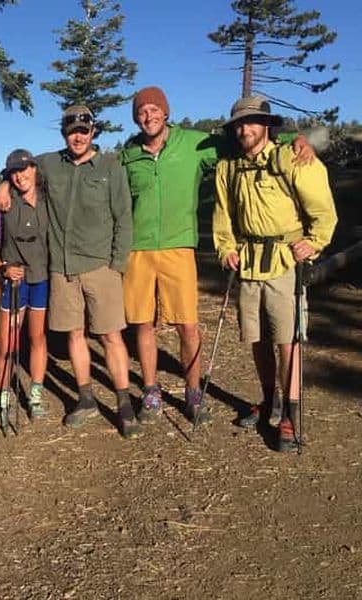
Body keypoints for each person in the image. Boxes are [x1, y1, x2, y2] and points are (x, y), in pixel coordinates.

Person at [121, 86, 317, 425]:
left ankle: (193, 391)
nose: (148, 116)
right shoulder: (129, 154)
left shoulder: (194, 144)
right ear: (136, 118)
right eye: (142, 111)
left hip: (179, 246)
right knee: (142, 324)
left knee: (187, 324)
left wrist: (294, 141)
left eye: (155, 109)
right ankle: (151, 390)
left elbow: (249, 141)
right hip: (138, 249)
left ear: (166, 113)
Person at [0, 106, 138, 438]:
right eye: (72, 130)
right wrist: (3, 184)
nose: (78, 136)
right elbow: (21, 170)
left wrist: (117, 266)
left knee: (110, 336)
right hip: (62, 270)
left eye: (84, 130)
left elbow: (124, 219)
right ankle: (86, 398)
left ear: (93, 132)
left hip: (100, 266)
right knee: (74, 334)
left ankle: (124, 403)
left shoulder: (110, 166)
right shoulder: (49, 163)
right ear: (64, 133)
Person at [213, 96, 337, 452]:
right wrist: (226, 249)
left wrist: (314, 243)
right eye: (238, 123)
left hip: (285, 262)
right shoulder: (228, 167)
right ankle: (270, 402)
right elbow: (223, 215)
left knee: (288, 341)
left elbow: (323, 209)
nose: (243, 129)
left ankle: (291, 415)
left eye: (251, 122)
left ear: (266, 125)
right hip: (249, 263)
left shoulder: (292, 159)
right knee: (257, 339)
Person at [0, 149, 50, 424]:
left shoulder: (50, 197)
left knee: (37, 337)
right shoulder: (2, 201)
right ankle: (2, 397)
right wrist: (2, 267)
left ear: (35, 169)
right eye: (13, 172)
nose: (20, 176)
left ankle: (35, 396)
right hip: (14, 280)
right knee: (7, 343)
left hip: (42, 277)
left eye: (24, 170)